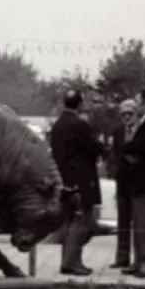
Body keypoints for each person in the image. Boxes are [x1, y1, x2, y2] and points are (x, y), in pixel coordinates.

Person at [49, 90, 105, 276]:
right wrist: (103, 147)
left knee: (69, 221)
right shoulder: (78, 125)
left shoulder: (57, 125)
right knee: (80, 221)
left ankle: (67, 260)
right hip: (81, 180)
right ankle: (72, 262)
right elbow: (93, 147)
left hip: (64, 180)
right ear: (80, 104)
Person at [121, 88, 145, 278]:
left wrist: (124, 148)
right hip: (138, 182)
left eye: (138, 101)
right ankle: (140, 260)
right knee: (139, 223)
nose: (135, 106)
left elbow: (138, 146)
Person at [108, 98, 139, 270]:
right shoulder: (118, 132)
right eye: (123, 115)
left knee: (139, 223)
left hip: (137, 181)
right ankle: (122, 257)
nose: (127, 117)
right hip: (123, 181)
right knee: (123, 221)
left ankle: (138, 258)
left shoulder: (141, 131)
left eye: (130, 114)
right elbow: (115, 153)